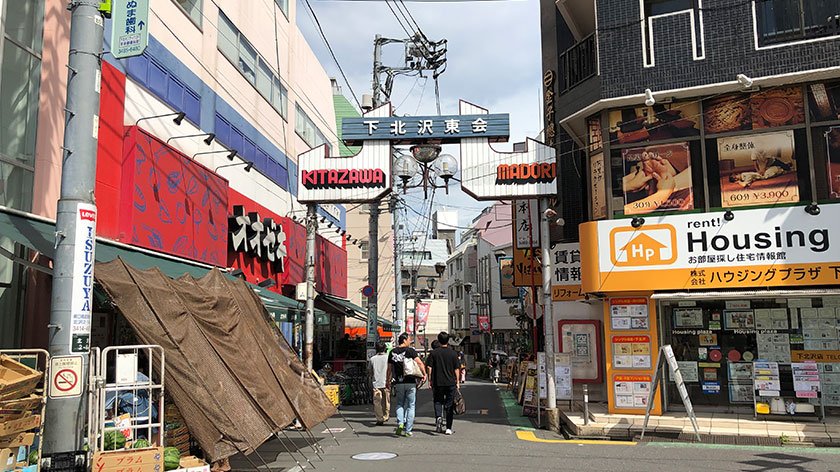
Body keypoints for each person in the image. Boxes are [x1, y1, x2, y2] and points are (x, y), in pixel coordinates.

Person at [389, 333, 426, 437]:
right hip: (410, 382)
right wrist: (424, 374)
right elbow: (419, 363)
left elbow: (389, 369)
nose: (410, 341)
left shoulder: (392, 352)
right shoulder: (410, 351)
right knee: (411, 405)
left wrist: (388, 381)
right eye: (409, 339)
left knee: (400, 403)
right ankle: (408, 430)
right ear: (404, 340)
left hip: (399, 382)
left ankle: (400, 423)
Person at [425, 331, 461, 435]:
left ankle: (439, 418)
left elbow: (429, 367)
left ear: (439, 340)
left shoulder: (434, 353)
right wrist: (457, 382)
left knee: (437, 401)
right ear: (448, 340)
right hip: (450, 383)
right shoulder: (453, 353)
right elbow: (456, 369)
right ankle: (448, 428)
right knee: (449, 405)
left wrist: (430, 380)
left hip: (437, 382)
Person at [368, 342, 390, 425]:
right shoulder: (388, 358)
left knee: (377, 402)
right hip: (386, 382)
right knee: (386, 401)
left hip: (376, 383)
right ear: (385, 349)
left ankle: (379, 418)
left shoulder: (372, 359)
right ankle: (386, 415)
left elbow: (369, 371)